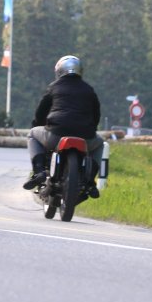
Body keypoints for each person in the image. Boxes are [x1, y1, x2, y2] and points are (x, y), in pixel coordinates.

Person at [21, 54, 107, 198]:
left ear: (59, 71)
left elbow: (41, 111)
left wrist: (37, 125)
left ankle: (39, 172)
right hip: (85, 137)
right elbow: (96, 114)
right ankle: (90, 181)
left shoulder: (54, 87)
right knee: (100, 144)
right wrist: (91, 130)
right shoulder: (89, 89)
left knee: (32, 134)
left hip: (56, 134)